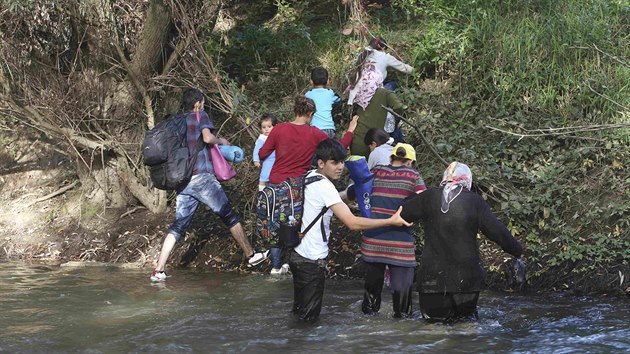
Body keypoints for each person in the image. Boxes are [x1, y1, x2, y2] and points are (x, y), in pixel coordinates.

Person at [150, 89, 268, 282]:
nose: (203, 105)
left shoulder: (177, 122)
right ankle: (251, 255)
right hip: (202, 177)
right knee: (228, 214)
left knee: (178, 225)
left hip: (184, 180)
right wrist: (221, 141)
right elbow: (207, 138)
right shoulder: (200, 115)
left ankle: (159, 270)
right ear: (197, 104)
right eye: (202, 103)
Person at [289, 139, 413, 322]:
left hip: (298, 255)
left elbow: (329, 201)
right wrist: (390, 220)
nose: (340, 167)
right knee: (308, 319)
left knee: (299, 312)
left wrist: (349, 194)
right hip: (312, 260)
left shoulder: (310, 177)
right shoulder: (325, 186)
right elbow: (352, 223)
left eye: (341, 162)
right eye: (334, 162)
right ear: (321, 163)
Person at [400, 162, 524, 322]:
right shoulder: (475, 202)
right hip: (467, 280)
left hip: (432, 280)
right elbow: (498, 232)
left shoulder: (428, 197)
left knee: (432, 329)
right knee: (465, 328)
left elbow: (402, 213)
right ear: (468, 181)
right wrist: (517, 250)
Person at [361, 143, 427, 318]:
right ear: (409, 161)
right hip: (399, 244)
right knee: (402, 304)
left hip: (372, 242)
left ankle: (370, 316)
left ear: (391, 157)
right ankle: (400, 330)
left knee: (371, 298)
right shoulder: (413, 176)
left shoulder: (375, 171)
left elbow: (359, 192)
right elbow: (424, 202)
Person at [258, 96, 357, 185]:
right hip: (297, 185)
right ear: (310, 114)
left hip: (275, 182)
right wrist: (350, 130)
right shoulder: (314, 133)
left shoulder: (279, 128)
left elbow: (262, 154)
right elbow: (338, 147)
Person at [347, 36, 413, 106]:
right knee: (394, 84)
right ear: (382, 47)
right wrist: (417, 70)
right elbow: (405, 69)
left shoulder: (362, 56)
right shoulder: (385, 57)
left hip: (354, 99)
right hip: (370, 100)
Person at [350, 87, 404, 158]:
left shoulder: (360, 91)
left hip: (356, 144)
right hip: (377, 144)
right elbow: (399, 106)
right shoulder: (385, 93)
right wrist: (394, 120)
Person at [305, 67, 341, 138]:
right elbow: (338, 101)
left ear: (311, 81)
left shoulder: (307, 95)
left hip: (314, 129)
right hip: (329, 128)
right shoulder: (331, 93)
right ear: (328, 81)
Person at [252, 113, 277, 192]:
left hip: (277, 161)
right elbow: (256, 149)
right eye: (264, 127)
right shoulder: (262, 138)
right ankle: (261, 192)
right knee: (264, 177)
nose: (266, 129)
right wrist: (256, 160)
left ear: (275, 126)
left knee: (275, 178)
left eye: (269, 127)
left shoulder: (277, 136)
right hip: (268, 161)